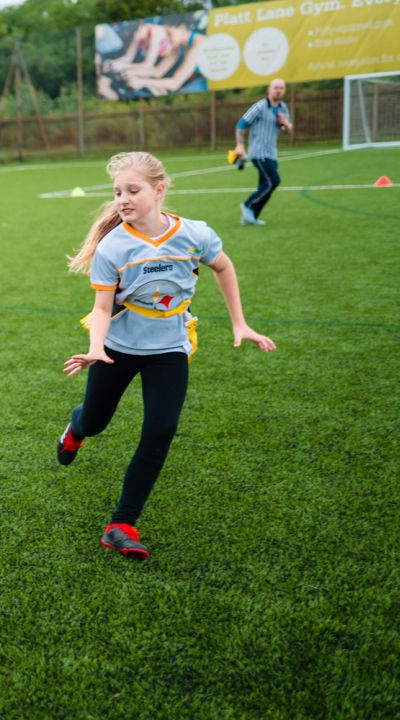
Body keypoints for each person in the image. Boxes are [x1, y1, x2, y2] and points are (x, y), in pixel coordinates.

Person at [56, 152, 276, 560]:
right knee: (96, 420)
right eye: (118, 191)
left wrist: (239, 323)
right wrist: (95, 347)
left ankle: (122, 523)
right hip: (118, 348)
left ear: (159, 190)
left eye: (132, 190)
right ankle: (76, 426)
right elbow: (103, 307)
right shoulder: (113, 247)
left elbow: (223, 268)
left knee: (160, 430)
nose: (123, 199)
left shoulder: (194, 234)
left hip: (169, 348)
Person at [234, 78, 293, 226]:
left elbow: (288, 130)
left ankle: (250, 217)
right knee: (273, 181)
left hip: (272, 153)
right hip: (258, 152)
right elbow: (241, 124)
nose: (278, 90)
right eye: (275, 88)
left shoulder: (283, 108)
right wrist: (240, 145)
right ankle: (248, 205)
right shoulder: (259, 107)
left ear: (284, 90)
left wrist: (284, 123)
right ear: (269, 89)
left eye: (281, 88)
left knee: (265, 185)